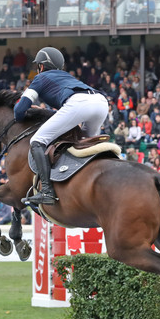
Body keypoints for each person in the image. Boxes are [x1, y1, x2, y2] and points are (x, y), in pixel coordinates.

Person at [13, 46, 108, 205]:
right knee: (85, 143)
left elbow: (19, 111)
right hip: (101, 102)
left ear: (41, 66)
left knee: (37, 141)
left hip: (78, 103)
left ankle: (47, 192)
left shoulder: (40, 78)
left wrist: (29, 113)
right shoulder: (66, 76)